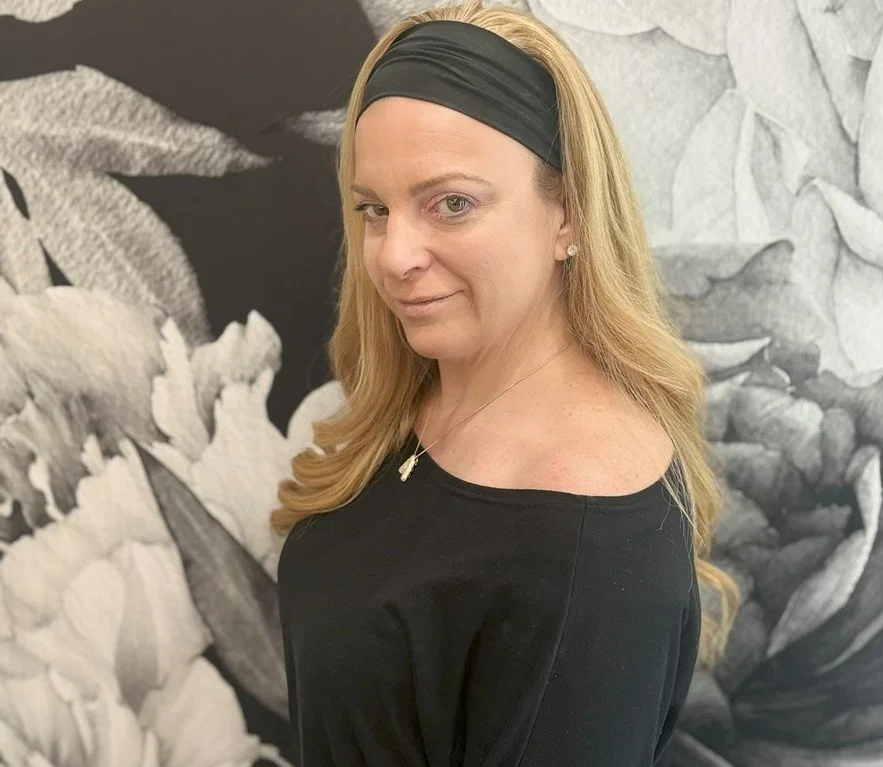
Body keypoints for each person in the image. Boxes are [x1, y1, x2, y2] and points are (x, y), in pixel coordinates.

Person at [272, 1, 739, 764]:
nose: (392, 255)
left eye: (451, 203)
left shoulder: (584, 530)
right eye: (374, 209)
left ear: (568, 215)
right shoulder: (421, 401)